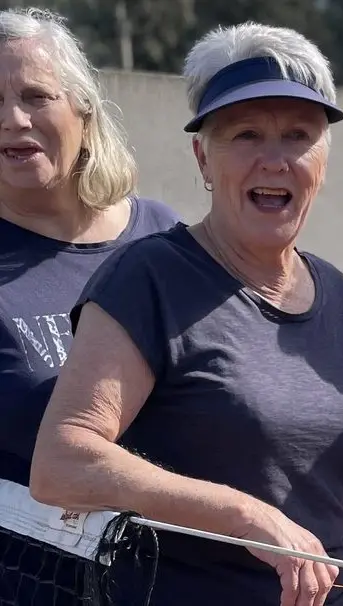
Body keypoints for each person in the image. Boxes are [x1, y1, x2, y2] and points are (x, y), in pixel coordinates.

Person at [28, 21, 343, 606]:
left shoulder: (336, 292)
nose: (275, 159)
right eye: (245, 135)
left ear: (323, 160)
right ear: (202, 157)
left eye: (298, 135)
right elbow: (62, 462)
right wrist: (241, 513)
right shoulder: (149, 277)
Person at [0, 7, 179, 605]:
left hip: (182, 580)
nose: (13, 120)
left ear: (83, 109)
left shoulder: (164, 239)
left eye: (35, 95)